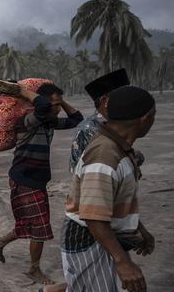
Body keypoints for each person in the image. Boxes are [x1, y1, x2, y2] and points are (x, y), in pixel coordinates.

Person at [57, 86, 156, 292]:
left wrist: (139, 228)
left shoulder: (118, 147)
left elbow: (113, 200)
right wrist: (122, 261)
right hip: (89, 237)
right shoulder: (105, 156)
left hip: (102, 235)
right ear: (144, 119)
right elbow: (93, 216)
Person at [0, 80, 83, 285]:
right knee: (40, 225)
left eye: (59, 105)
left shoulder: (48, 122)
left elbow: (77, 119)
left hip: (36, 179)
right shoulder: (28, 120)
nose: (57, 109)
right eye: (54, 104)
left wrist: (61, 101)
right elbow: (41, 107)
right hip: (24, 178)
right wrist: (24, 92)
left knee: (28, 223)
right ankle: (34, 270)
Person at [69, 69, 134, 174]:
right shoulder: (88, 129)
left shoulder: (119, 122)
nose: (129, 101)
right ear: (105, 101)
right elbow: (77, 170)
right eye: (124, 97)